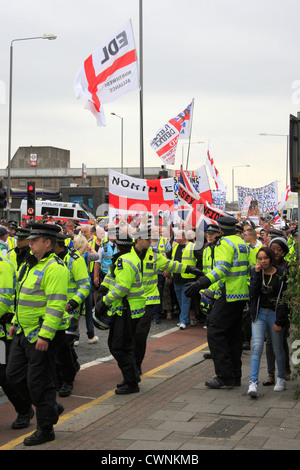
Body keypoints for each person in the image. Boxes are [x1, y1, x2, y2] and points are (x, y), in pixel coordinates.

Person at [6, 223, 70, 446]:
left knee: (38, 383)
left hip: (39, 335)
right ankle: (50, 406)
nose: (29, 244)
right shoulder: (30, 265)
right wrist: (15, 321)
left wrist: (45, 335)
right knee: (13, 375)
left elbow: (55, 305)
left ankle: (46, 429)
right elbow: (22, 298)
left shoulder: (56, 268)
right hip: (23, 332)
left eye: (34, 241)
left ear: (47, 243)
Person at [185, 216, 249, 389]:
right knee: (233, 334)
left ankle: (224, 376)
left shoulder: (224, 244)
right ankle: (235, 375)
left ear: (220, 231)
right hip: (240, 294)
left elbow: (221, 269)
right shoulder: (241, 242)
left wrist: (201, 282)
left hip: (228, 294)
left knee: (215, 332)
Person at [94, 232, 146, 395]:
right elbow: (112, 277)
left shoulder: (124, 260)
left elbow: (122, 287)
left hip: (126, 309)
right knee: (123, 345)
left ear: (117, 245)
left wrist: (104, 301)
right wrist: (103, 288)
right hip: (128, 308)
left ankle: (131, 382)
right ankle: (132, 377)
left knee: (119, 346)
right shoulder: (127, 258)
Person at [247, 247, 289, 398]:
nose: (262, 261)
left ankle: (281, 378)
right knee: (257, 347)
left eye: (265, 258)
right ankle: (253, 383)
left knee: (278, 348)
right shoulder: (256, 272)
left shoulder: (281, 274)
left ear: (271, 258)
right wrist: (257, 274)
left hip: (274, 315)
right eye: (259, 258)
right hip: (259, 314)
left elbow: (285, 300)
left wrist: (280, 320)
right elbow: (252, 293)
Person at [54, 233, 91, 397]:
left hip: (70, 310)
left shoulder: (75, 260)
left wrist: (72, 303)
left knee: (64, 343)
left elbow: (85, 285)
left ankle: (67, 380)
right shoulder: (49, 260)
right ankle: (72, 365)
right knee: (60, 344)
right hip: (53, 309)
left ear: (56, 245)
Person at [171, 229, 203, 329]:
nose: (175, 238)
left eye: (177, 236)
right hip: (176, 277)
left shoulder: (193, 247)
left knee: (185, 301)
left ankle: (183, 321)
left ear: (183, 237)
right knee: (180, 300)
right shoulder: (175, 246)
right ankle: (185, 319)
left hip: (188, 279)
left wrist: (197, 271)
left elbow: (201, 259)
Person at [73, 234, 99, 344]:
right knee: (88, 311)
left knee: (76, 312)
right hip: (86, 285)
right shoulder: (87, 255)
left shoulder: (72, 256)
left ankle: (75, 337)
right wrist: (90, 247)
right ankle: (91, 335)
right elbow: (97, 256)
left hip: (76, 286)